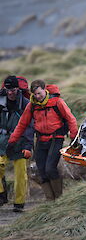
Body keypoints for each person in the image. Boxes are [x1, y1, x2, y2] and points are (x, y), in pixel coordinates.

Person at [8, 80, 78, 200]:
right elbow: (22, 124)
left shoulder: (57, 102)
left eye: (39, 93)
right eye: (35, 94)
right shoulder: (32, 105)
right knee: (41, 171)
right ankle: (50, 201)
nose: (37, 97)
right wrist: (12, 141)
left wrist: (74, 137)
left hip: (56, 138)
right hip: (41, 139)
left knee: (50, 169)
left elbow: (71, 119)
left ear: (44, 90)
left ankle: (59, 199)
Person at [0, 76, 34, 212]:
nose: (10, 93)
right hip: (2, 141)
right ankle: (1, 193)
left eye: (13, 90)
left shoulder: (26, 104)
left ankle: (19, 203)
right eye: (7, 89)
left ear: (18, 89)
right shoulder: (0, 102)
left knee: (21, 174)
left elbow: (30, 127)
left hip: (20, 142)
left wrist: (27, 147)